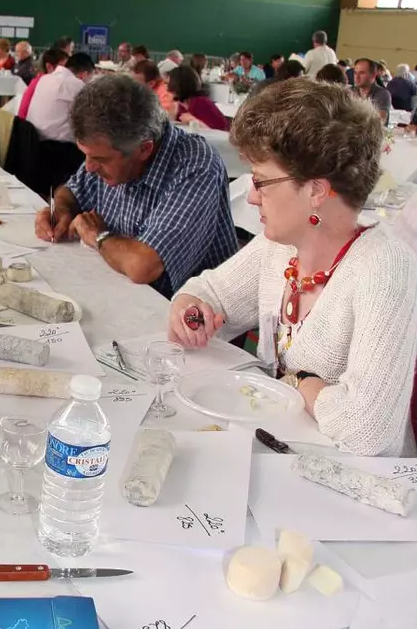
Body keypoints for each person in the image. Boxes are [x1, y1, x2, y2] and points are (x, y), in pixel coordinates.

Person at [169, 79, 417, 455]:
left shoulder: (386, 268)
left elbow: (369, 431)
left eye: (261, 182)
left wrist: (298, 380)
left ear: (316, 190)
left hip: (359, 488)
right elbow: (211, 293)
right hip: (284, 455)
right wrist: (190, 306)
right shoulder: (279, 247)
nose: (251, 196)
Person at [34, 74, 236, 297]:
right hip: (124, 292)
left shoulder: (196, 167)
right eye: (86, 156)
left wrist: (98, 236)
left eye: (100, 160)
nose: (89, 167)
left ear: (144, 149)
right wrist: (61, 208)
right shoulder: (111, 149)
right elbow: (72, 190)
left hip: (190, 317)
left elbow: (143, 266)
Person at [26, 52, 95, 141]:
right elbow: (90, 117)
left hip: (33, 140)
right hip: (58, 147)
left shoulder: (44, 79)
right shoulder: (76, 84)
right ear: (84, 75)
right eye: (90, 79)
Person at [166, 65, 229, 130]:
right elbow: (171, 127)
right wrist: (172, 112)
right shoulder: (181, 104)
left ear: (179, 85)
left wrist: (193, 120)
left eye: (169, 84)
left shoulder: (201, 102)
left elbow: (219, 132)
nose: (167, 88)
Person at [17, 47, 68, 121]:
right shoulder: (47, 83)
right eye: (64, 67)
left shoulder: (39, 80)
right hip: (30, 128)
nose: (67, 71)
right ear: (49, 67)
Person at [353, 57, 391, 123]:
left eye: (362, 73)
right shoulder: (350, 91)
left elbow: (379, 122)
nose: (357, 77)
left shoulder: (382, 94)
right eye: (355, 73)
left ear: (373, 75)